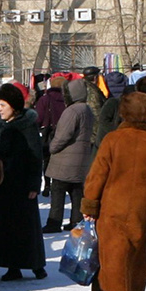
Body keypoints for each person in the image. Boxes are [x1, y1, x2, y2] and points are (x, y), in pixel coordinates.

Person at [83, 92, 146, 291]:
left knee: (115, 256)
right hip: (144, 211)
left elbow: (97, 175)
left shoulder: (112, 140)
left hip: (113, 209)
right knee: (139, 255)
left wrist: (90, 205)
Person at [0, 84, 47, 281]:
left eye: (3, 105)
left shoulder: (27, 125)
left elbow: (36, 157)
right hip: (2, 185)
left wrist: (33, 185)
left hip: (21, 185)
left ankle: (36, 265)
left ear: (14, 106)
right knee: (6, 228)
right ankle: (13, 266)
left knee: (26, 227)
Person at [43, 79, 95, 233]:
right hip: (81, 159)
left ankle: (54, 222)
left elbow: (63, 135)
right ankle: (76, 221)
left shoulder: (72, 111)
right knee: (77, 192)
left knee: (58, 192)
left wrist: (51, 147)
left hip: (65, 159)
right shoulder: (87, 110)